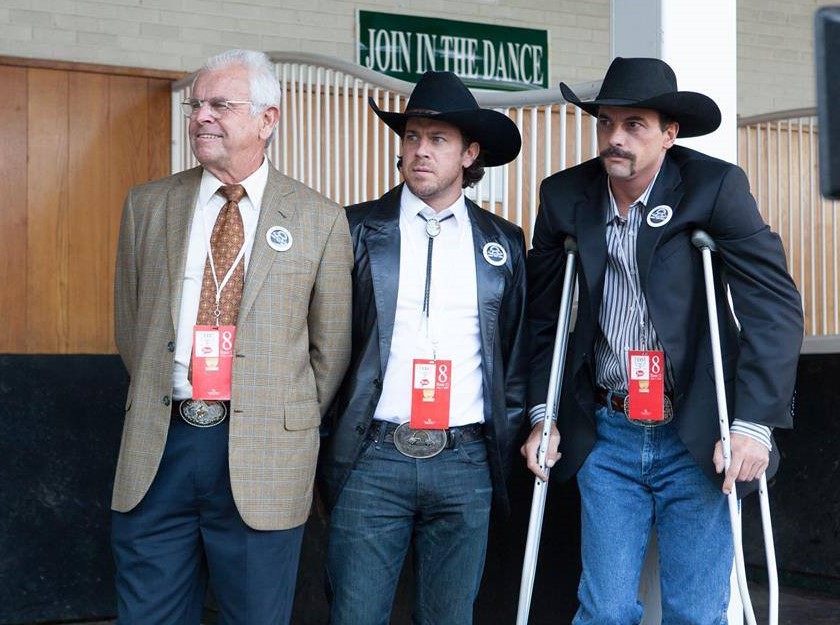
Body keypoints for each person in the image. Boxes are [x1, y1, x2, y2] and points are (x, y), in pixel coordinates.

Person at [522, 57, 803, 623]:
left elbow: (772, 305)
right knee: (603, 611)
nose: (615, 138)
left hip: (695, 431)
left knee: (697, 613)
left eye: (634, 125)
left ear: (669, 134)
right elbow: (543, 317)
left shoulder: (714, 187)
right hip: (607, 431)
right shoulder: (565, 197)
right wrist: (540, 413)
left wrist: (752, 426)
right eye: (606, 124)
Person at [111, 49, 352, 624]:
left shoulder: (320, 219)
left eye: (221, 104)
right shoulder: (148, 206)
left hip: (263, 455)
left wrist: (275, 413)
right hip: (160, 444)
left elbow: (331, 348)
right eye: (197, 105)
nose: (201, 117)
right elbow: (130, 324)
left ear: (268, 119)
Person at [318, 70, 528, 624]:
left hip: (465, 458)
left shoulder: (503, 243)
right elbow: (327, 339)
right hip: (373, 454)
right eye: (412, 136)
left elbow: (513, 352)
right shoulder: (358, 228)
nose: (421, 151)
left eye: (438, 140)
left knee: (450, 618)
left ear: (469, 153)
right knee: (355, 614)